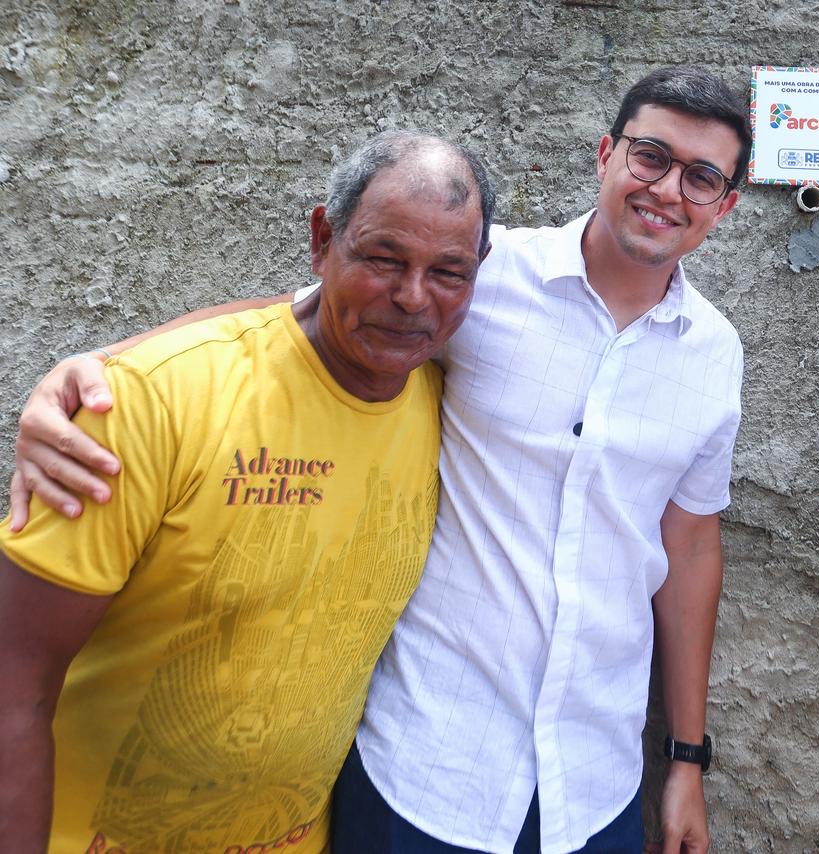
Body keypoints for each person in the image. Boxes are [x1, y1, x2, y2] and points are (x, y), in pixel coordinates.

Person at [6, 66, 748, 854]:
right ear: (605, 154)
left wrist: (687, 760)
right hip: (423, 769)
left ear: (726, 204)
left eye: (701, 176)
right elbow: (310, 309)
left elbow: (691, 545)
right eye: (650, 157)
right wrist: (100, 368)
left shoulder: (715, 355)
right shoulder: (484, 277)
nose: (668, 189)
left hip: (593, 782)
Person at [0, 132, 494, 853]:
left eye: (447, 271)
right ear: (323, 241)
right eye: (383, 258)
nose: (412, 297)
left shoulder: (454, 400)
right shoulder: (143, 408)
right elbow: (15, 681)